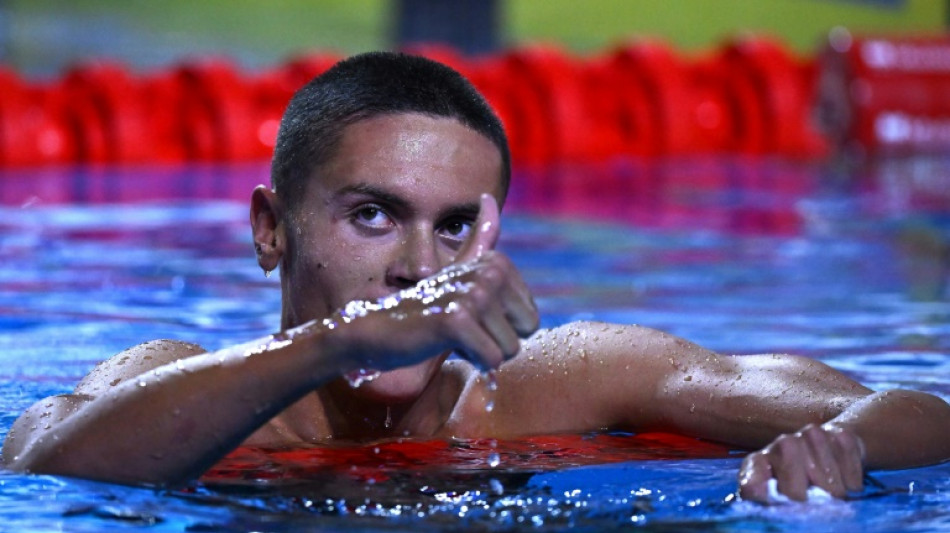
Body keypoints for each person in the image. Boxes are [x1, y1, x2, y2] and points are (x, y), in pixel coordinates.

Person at [3, 52, 948, 504]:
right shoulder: (172, 382)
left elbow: (916, 409)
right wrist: (339, 343)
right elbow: (38, 466)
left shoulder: (556, 382)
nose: (419, 265)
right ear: (269, 230)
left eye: (456, 226)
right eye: (372, 214)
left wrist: (832, 451)